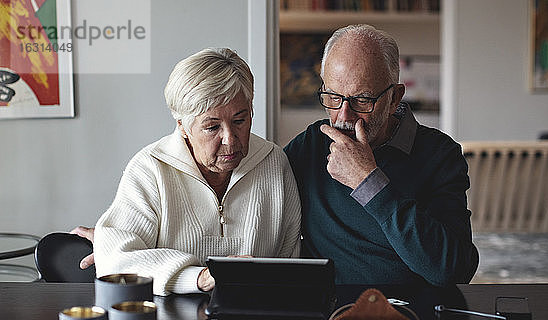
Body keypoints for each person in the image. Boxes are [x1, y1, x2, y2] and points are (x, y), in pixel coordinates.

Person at [88, 48, 301, 296]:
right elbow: (115, 261)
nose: (230, 140)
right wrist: (199, 277)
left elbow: (290, 261)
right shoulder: (150, 168)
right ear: (182, 126)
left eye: (240, 121)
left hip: (255, 313)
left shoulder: (274, 163)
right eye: (212, 127)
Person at [283, 24, 478, 286]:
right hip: (330, 314)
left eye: (362, 100)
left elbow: (452, 270)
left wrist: (368, 182)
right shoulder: (310, 146)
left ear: (395, 98)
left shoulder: (440, 155)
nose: (343, 116)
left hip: (413, 315)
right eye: (333, 97)